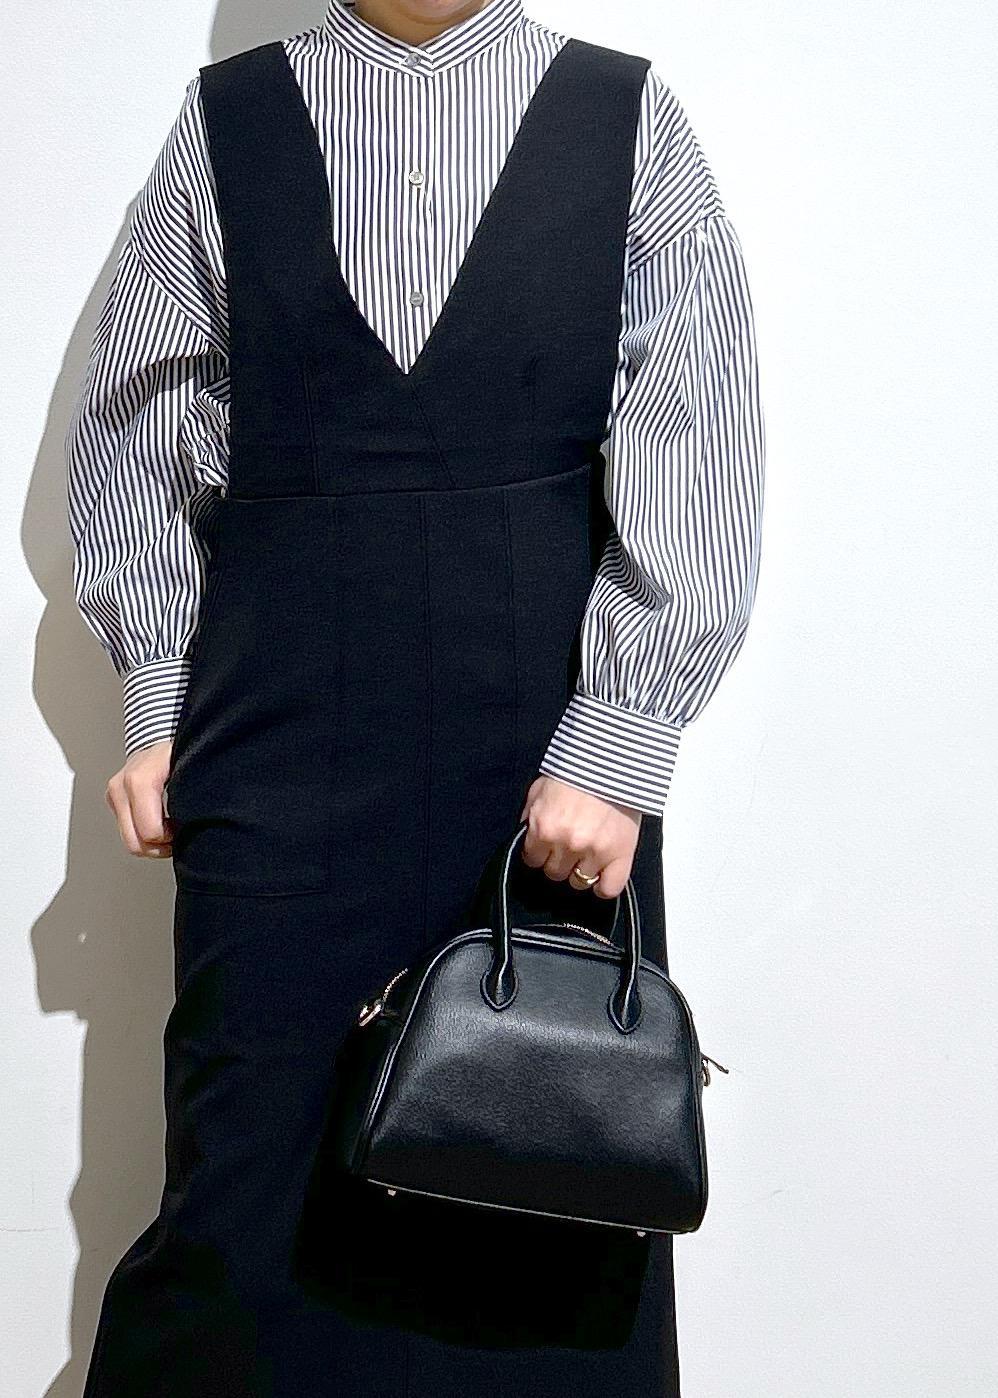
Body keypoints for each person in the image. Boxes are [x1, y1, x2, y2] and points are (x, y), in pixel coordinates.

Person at [65, 0, 765, 1392]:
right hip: (270, 746)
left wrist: (617, 746)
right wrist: (155, 697)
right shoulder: (229, 123)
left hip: (542, 772)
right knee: (248, 1174)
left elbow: (695, 434)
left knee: (538, 1174)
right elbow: (140, 425)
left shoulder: (626, 120)